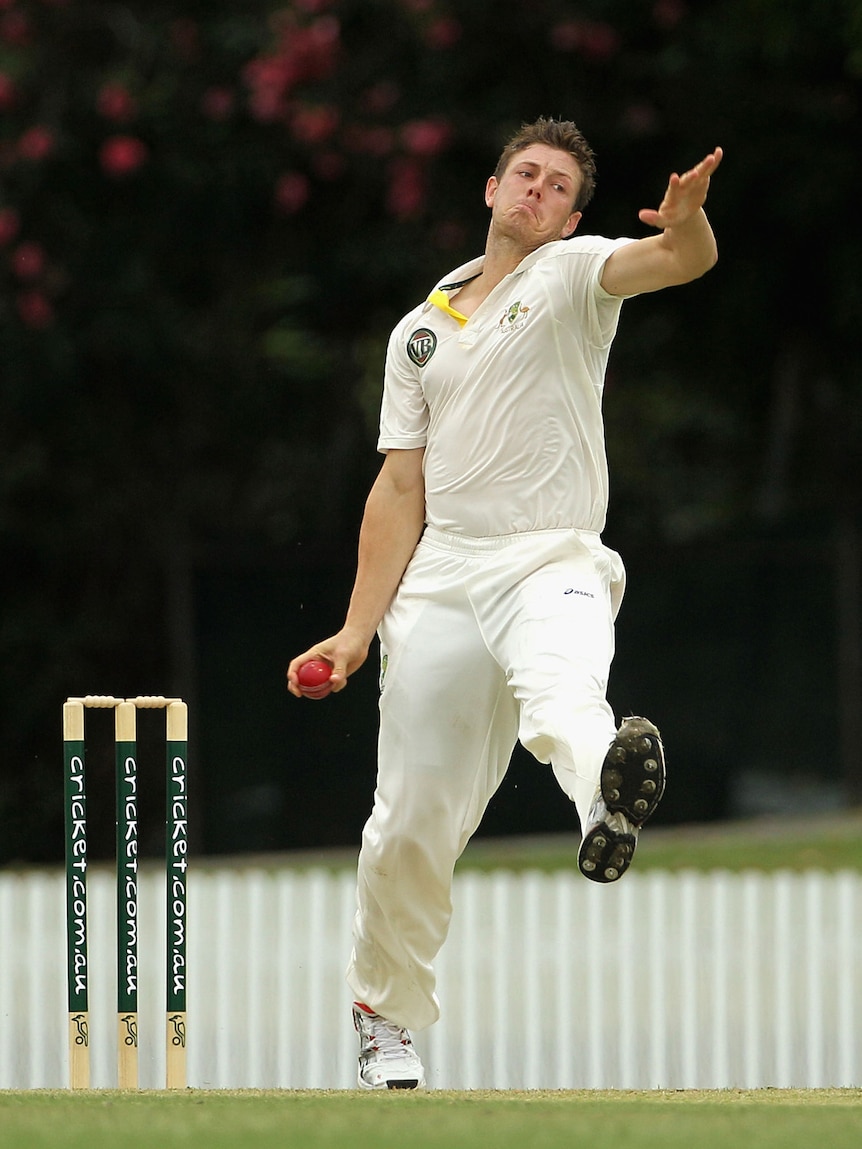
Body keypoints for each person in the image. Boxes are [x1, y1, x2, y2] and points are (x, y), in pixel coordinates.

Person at [287, 117, 722, 1090]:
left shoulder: (572, 279)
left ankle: (605, 798)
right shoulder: (420, 330)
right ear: (490, 190)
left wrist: (689, 227)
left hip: (550, 555)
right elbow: (400, 491)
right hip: (441, 579)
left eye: (559, 186)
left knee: (566, 691)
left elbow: (674, 261)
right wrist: (357, 632)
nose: (538, 190)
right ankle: (385, 1016)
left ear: (571, 219)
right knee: (409, 823)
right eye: (524, 174)